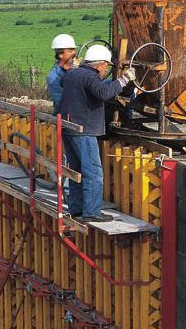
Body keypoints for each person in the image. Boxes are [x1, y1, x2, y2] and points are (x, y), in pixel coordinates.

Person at [58, 44, 135, 223]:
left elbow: (64, 82)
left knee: (76, 169)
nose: (105, 70)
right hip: (83, 130)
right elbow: (103, 93)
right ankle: (92, 212)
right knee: (93, 172)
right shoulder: (90, 76)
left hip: (68, 127)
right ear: (99, 64)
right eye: (106, 66)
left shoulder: (73, 73)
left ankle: (76, 209)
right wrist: (124, 79)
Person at [45, 33, 78, 114]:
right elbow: (61, 102)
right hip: (64, 119)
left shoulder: (81, 68)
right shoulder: (53, 77)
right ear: (60, 54)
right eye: (70, 51)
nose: (75, 53)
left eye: (74, 50)